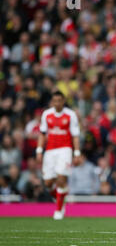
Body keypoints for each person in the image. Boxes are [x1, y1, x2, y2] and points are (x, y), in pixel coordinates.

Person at [36, 91, 81, 220]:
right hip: (50, 150)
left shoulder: (70, 115)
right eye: (54, 100)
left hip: (65, 150)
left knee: (61, 179)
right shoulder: (47, 114)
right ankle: (60, 199)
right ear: (52, 101)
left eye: (59, 100)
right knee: (48, 182)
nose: (57, 103)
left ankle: (58, 210)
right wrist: (39, 150)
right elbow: (42, 133)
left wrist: (77, 153)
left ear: (63, 101)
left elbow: (75, 135)